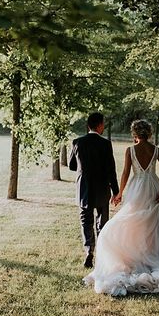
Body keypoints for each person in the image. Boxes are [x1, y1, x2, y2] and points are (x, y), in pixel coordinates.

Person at [83, 119, 159, 296]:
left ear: (135, 133)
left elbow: (126, 172)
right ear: (148, 133)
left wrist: (119, 193)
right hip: (153, 188)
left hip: (137, 189)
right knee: (152, 225)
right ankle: (150, 257)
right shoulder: (156, 150)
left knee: (134, 223)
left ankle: (137, 256)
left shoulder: (130, 150)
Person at [69, 112, 119, 268]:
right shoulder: (105, 144)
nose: (104, 126)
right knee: (102, 221)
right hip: (102, 189)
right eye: (103, 124)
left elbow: (72, 166)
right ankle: (102, 253)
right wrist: (116, 191)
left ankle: (88, 251)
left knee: (86, 220)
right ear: (98, 125)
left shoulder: (77, 142)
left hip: (84, 188)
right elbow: (111, 170)